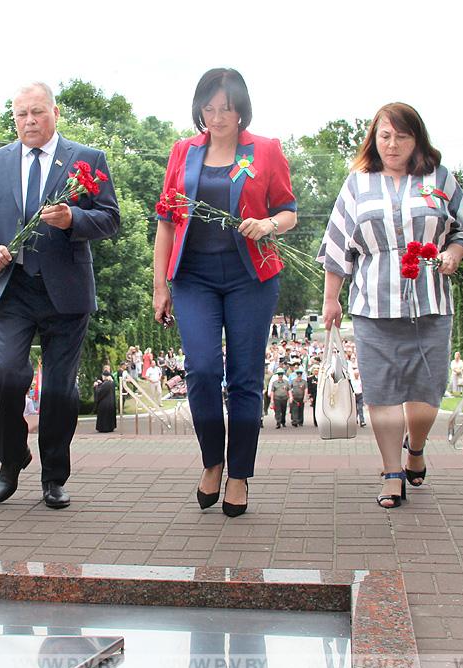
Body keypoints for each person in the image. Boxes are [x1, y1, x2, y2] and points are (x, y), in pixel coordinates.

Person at [0, 81, 120, 510]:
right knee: (10, 376)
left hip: (66, 291)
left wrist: (73, 218)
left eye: (37, 112)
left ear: (54, 113)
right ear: (13, 118)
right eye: (20, 114)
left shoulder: (87, 160)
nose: (29, 121)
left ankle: (54, 476)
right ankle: (10, 460)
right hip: (11, 287)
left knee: (59, 390)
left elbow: (110, 218)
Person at [318, 102, 463, 509]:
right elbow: (338, 245)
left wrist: (454, 254)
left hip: (430, 302)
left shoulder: (439, 178)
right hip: (374, 304)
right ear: (375, 138)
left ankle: (417, 447)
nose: (392, 145)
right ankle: (392, 472)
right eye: (385, 136)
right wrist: (331, 299)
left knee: (427, 393)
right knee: (382, 392)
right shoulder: (357, 183)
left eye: (401, 136)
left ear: (416, 139)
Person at [153, 68, 297, 517]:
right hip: (193, 277)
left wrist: (268, 224)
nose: (217, 117)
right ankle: (212, 460)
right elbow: (166, 219)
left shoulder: (266, 150)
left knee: (244, 378)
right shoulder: (183, 152)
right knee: (200, 370)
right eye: (209, 108)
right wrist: (160, 285)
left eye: (226, 108)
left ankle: (239, 474)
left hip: (249, 278)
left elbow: (288, 210)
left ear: (241, 109)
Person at [93, 366, 117, 433]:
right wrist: (100, 384)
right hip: (110, 403)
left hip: (104, 404)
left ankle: (104, 428)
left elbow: (99, 392)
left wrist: (96, 386)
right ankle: (110, 427)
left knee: (104, 418)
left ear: (104, 376)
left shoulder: (106, 384)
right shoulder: (111, 383)